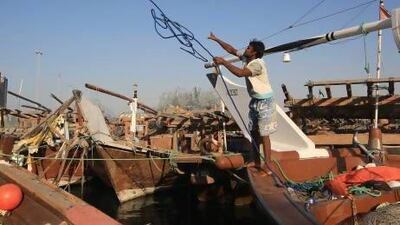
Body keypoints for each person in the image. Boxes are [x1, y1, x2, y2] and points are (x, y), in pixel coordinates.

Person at [208, 32, 277, 167]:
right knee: (254, 132)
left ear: (255, 52)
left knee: (264, 134)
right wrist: (216, 39)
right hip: (255, 101)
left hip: (265, 102)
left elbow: (240, 74)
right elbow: (231, 49)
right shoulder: (247, 58)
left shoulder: (257, 64)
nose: (246, 48)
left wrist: (223, 62)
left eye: (249, 48)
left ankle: (268, 166)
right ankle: (256, 162)